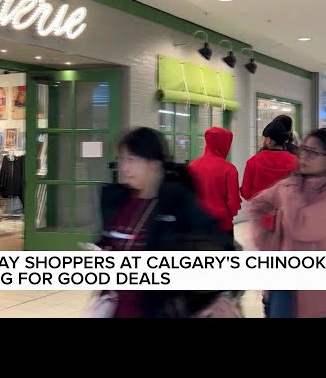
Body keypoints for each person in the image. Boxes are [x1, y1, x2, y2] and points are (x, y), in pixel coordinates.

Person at [96, 127, 232, 318]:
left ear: (154, 164)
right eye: (121, 159)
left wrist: (221, 296)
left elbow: (221, 249)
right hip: (118, 309)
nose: (124, 167)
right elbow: (106, 242)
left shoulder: (176, 202)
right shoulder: (115, 200)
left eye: (131, 160)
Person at [249, 128, 326, 318]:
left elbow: (303, 227)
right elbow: (257, 206)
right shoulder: (292, 184)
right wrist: (267, 243)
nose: (304, 157)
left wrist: (290, 189)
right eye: (303, 150)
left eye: (313, 152)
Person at [241, 121, 298, 317]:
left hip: (261, 226)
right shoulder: (294, 162)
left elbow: (247, 193)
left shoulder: (254, 162)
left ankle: (268, 302)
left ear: (269, 140)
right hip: (288, 223)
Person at [188, 127, 241, 246]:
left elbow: (188, 197)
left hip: (197, 224)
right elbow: (234, 202)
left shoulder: (192, 166)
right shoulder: (229, 169)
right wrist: (228, 214)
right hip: (222, 224)